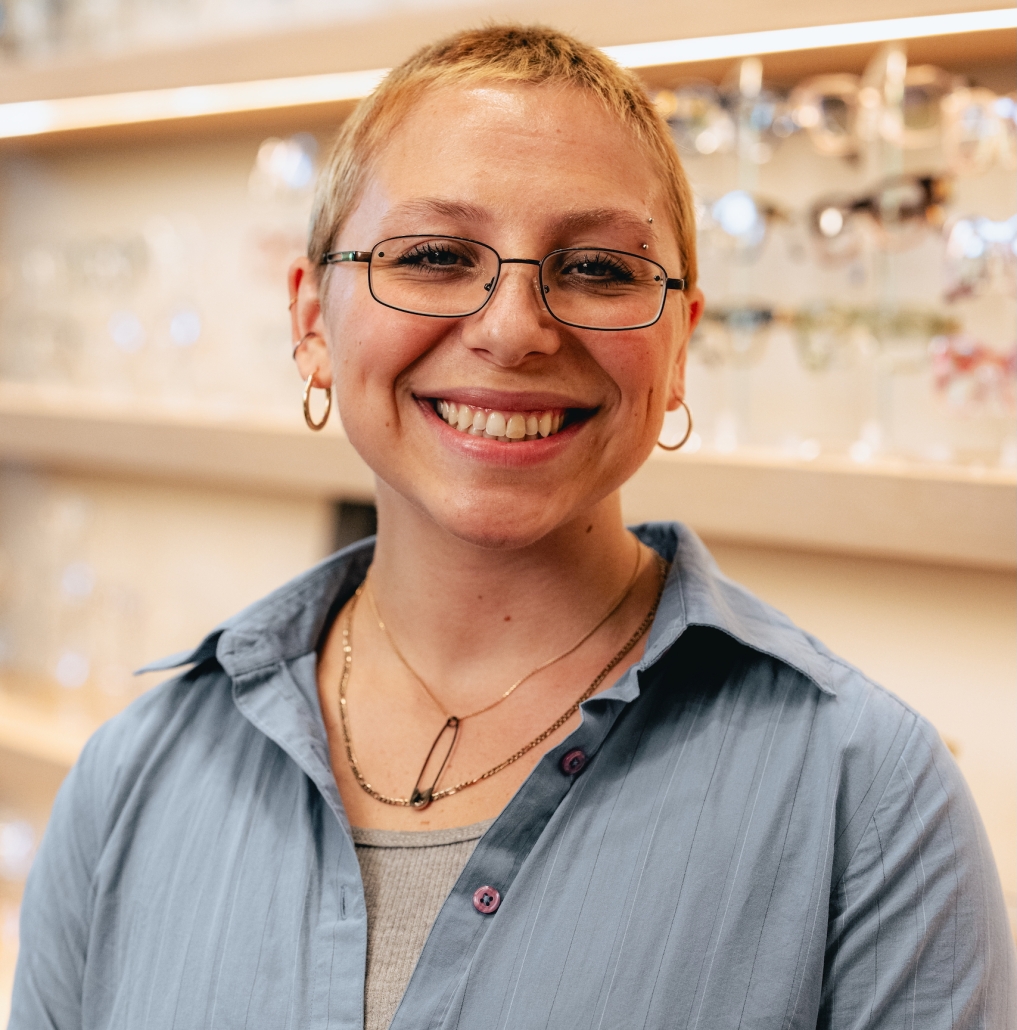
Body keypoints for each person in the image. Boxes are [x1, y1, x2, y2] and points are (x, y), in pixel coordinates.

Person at [12, 25, 1014, 1030]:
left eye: (599, 269)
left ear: (680, 345)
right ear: (312, 322)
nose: (513, 329)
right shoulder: (132, 774)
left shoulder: (869, 796)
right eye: (435, 256)